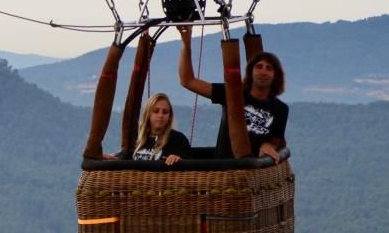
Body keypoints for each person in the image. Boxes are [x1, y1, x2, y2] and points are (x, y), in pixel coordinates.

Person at [177, 25, 288, 163]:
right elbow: (188, 80)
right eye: (259, 67)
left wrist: (267, 146)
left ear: (275, 76)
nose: (263, 72)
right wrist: (186, 44)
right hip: (224, 170)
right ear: (251, 72)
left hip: (252, 173)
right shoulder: (231, 93)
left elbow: (275, 141)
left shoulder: (280, 109)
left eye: (269, 68)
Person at [110, 92, 191, 165]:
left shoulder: (178, 139)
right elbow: (123, 157)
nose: (160, 115)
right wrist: (107, 158)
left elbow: (189, 164)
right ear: (148, 114)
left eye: (165, 112)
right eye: (156, 111)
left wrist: (178, 160)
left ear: (169, 117)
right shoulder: (138, 139)